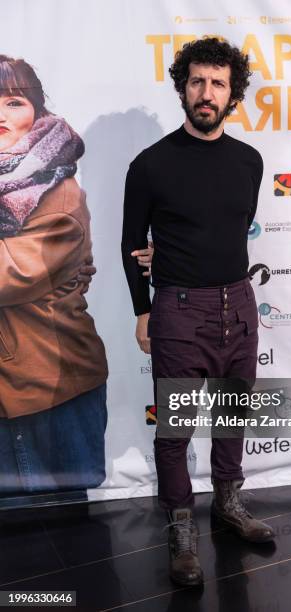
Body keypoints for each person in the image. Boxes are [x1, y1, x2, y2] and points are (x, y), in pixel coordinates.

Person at [122, 38, 274, 586]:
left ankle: (229, 504)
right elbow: (129, 242)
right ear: (182, 87)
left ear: (232, 94)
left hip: (239, 304)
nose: (206, 93)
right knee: (177, 427)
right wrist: (143, 311)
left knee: (233, 416)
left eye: (217, 83)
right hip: (179, 310)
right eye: (197, 82)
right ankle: (181, 526)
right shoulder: (151, 164)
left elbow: (228, 228)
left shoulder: (249, 161)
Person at [0, 55, 108, 498]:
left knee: (60, 543)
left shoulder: (56, 191)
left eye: (13, 103)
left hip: (44, 391)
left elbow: (8, 275)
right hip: (16, 389)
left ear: (38, 112)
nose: (0, 117)